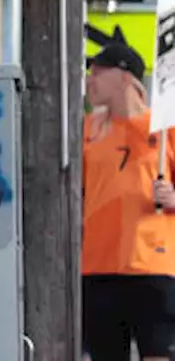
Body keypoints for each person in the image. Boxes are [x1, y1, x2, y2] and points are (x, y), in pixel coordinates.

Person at [82, 42, 175, 361]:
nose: (89, 80)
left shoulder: (165, 131)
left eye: (97, 73)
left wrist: (174, 198)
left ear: (123, 77)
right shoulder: (87, 131)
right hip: (98, 266)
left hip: (153, 265)